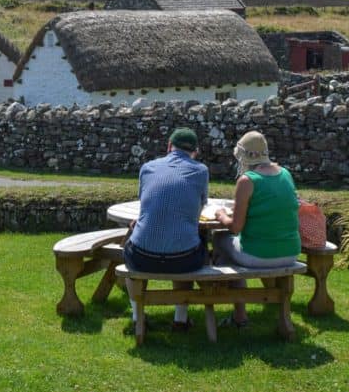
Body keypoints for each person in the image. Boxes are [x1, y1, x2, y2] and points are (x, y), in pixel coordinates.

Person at [124, 127, 209, 331]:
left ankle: (137, 316)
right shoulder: (201, 171)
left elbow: (145, 204)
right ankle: (180, 319)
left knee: (130, 241)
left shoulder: (147, 167)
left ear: (169, 146)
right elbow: (198, 210)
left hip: (141, 258)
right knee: (194, 240)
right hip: (183, 261)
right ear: (195, 151)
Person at [213, 130, 301, 328]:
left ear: (243, 156)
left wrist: (222, 216)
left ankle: (239, 315)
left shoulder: (248, 181)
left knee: (220, 240)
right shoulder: (285, 174)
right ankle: (279, 313)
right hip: (290, 253)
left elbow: (235, 228)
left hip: (258, 255)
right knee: (234, 244)